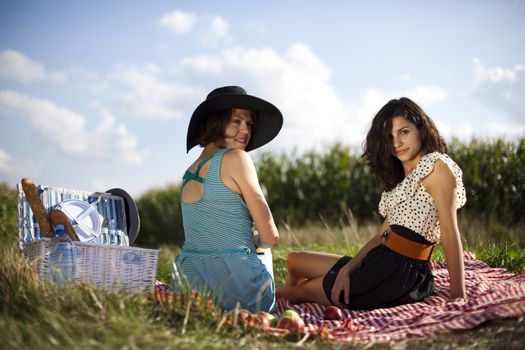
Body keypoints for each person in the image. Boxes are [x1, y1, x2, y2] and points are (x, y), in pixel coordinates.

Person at [276, 97, 467, 310]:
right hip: (379, 261)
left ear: (420, 129)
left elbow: (450, 233)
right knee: (294, 260)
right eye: (390, 137)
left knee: (300, 291)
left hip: (399, 276)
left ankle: (253, 301)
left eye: (404, 132)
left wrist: (457, 294)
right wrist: (347, 269)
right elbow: (380, 237)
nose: (397, 143)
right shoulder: (403, 183)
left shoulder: (436, 168)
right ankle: (294, 304)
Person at [172, 85, 283, 313]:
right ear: (216, 121)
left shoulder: (188, 172)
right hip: (241, 294)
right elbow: (271, 237)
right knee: (263, 247)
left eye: (249, 124)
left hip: (188, 288)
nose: (245, 130)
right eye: (236, 120)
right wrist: (257, 240)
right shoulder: (237, 158)